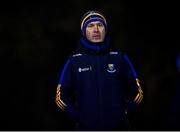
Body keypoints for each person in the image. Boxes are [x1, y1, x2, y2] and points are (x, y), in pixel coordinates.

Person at [55, 10, 143, 130]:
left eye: (100, 25)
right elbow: (60, 97)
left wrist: (125, 112)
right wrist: (78, 117)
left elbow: (138, 92)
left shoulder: (119, 57)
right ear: (84, 31)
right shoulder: (74, 61)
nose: (96, 30)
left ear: (105, 30)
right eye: (90, 26)